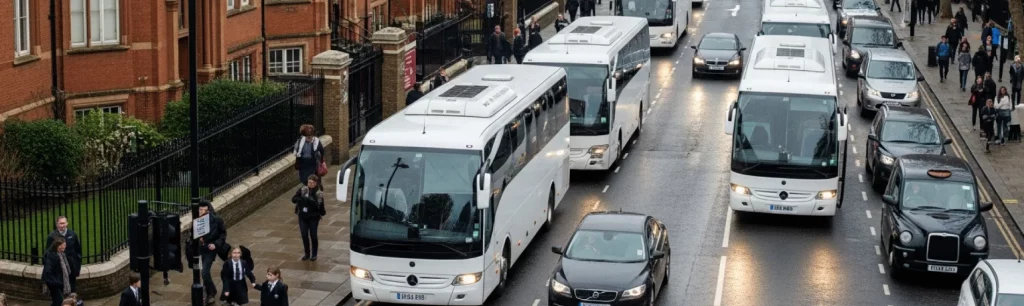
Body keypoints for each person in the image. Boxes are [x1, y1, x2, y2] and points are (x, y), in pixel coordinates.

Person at [197, 200, 228, 305]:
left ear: (208, 210)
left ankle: (212, 292)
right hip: (199, 249)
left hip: (210, 250)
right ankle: (206, 291)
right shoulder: (196, 219)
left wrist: (215, 244)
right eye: (199, 209)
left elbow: (223, 234)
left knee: (205, 272)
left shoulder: (217, 220)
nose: (201, 211)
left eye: (203, 209)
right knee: (200, 272)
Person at [292, 175, 326, 261]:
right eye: (309, 182)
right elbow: (293, 199)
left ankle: (314, 254)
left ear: (316, 183)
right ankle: (307, 253)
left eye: (312, 182)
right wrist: (301, 199)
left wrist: (321, 212)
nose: (310, 184)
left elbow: (321, 205)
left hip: (313, 217)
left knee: (313, 235)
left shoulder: (318, 193)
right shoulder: (303, 189)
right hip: (303, 216)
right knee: (304, 235)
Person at [46, 216, 81, 293]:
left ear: (67, 223)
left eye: (64, 223)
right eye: (60, 223)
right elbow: (47, 253)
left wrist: (77, 266)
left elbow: (78, 250)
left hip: (71, 264)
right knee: (60, 286)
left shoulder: (73, 234)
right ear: (57, 224)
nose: (62, 225)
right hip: (58, 265)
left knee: (72, 285)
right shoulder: (52, 236)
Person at [42, 237, 76, 306]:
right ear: (56, 246)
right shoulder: (51, 256)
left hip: (60, 283)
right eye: (61, 245)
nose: (64, 247)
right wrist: (56, 283)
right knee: (60, 302)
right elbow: (48, 271)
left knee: (56, 302)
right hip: (54, 284)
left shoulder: (61, 254)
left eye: (64, 245)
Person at [293, 124, 325, 189]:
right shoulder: (300, 141)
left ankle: (313, 189)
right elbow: (295, 151)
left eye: (311, 136)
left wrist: (321, 161)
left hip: (312, 163)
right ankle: (311, 186)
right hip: (303, 164)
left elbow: (322, 151)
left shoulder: (316, 141)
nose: (309, 138)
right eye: (307, 137)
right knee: (303, 178)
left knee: (311, 178)